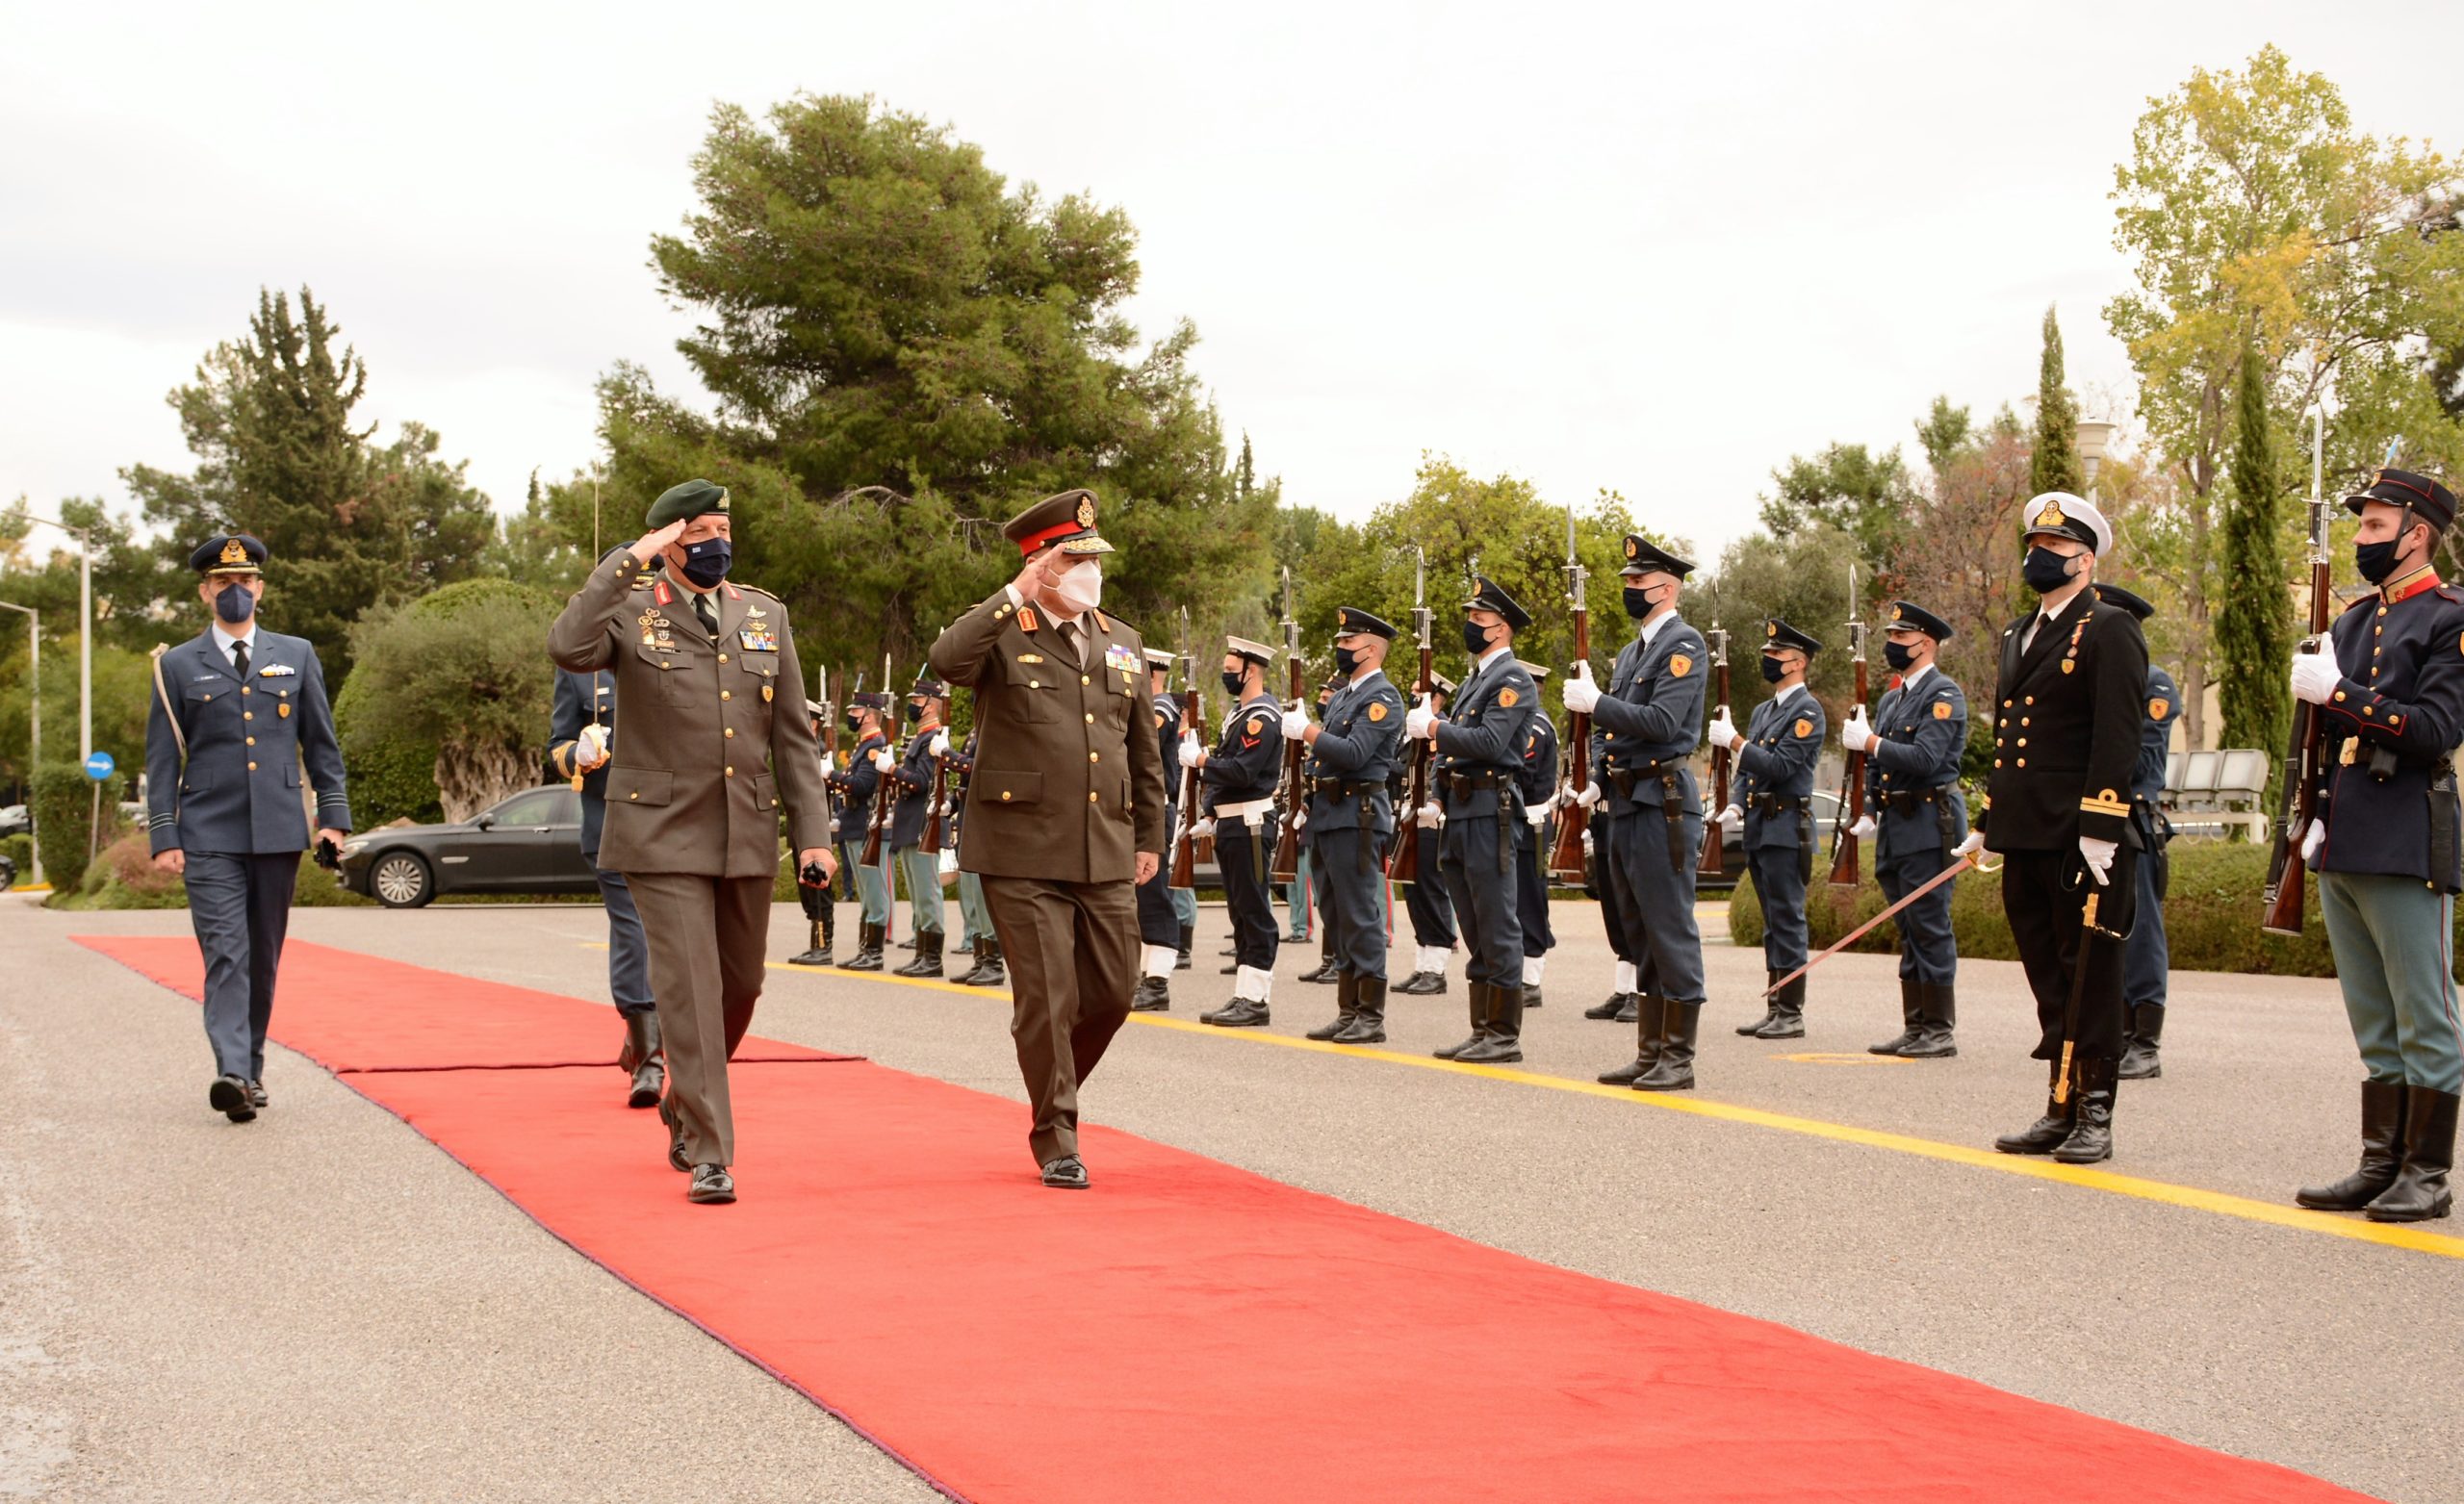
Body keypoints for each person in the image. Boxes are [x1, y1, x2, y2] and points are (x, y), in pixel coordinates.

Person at [547, 478, 834, 1205]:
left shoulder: (765, 614)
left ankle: (685, 1099)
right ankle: (711, 1152)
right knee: (694, 991)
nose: (715, 543)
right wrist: (629, 559)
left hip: (744, 828)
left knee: (741, 986)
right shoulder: (630, 608)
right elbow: (566, 645)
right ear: (668, 541)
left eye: (722, 529)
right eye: (698, 531)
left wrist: (813, 836)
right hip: (660, 833)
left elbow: (794, 739)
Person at [926, 489, 1168, 1189]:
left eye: (1095, 559)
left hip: (1105, 843)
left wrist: (1149, 835)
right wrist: (1015, 593)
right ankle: (1057, 1133)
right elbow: (946, 661)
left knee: (1115, 992)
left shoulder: (1121, 640)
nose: (1092, 571)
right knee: (1048, 997)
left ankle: (1048, 1083)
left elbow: (1142, 751)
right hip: (1021, 848)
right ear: (1042, 564)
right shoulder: (1005, 628)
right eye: (1075, 559)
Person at [2291, 469, 2464, 1223]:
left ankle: (2426, 1172)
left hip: (2406, 837)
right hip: (2345, 836)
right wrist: (2309, 815)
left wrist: (2338, 692)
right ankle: (2380, 1160)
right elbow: (2321, 740)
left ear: (2416, 534)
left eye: (2373, 526)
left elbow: (2433, 729)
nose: (2362, 538)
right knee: (2373, 1015)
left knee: (2425, 1013)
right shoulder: (2355, 620)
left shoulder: (2450, 619)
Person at [144, 534, 351, 1123]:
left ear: (260, 589)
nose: (234, 591)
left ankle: (250, 1071)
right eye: (222, 582)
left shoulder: (298, 654)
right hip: (208, 832)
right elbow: (162, 758)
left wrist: (333, 820)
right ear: (205, 591)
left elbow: (322, 745)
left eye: (244, 581)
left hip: (279, 829)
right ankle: (232, 1071)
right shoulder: (176, 665)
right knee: (226, 954)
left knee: (262, 958)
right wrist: (165, 834)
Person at [1981, 493, 2146, 1167]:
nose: (2039, 557)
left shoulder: (2109, 627)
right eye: (2035, 546)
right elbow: (2011, 739)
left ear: (2086, 559)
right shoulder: (2018, 632)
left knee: (2090, 978)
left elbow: (2118, 734)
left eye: (2054, 548)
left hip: (2083, 838)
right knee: (2049, 975)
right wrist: (1989, 822)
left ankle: (2095, 1112)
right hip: (2026, 832)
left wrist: (2102, 823)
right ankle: (2061, 1103)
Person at [1566, 536, 1709, 1091]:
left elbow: (1663, 724)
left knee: (1669, 928)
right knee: (1639, 930)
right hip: (1625, 802)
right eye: (1628, 581)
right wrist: (1596, 780)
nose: (1629, 588)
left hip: (1662, 803)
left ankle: (1679, 1057)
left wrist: (1598, 703)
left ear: (1666, 589)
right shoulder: (1631, 653)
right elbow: (1609, 736)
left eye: (1638, 581)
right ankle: (1651, 1051)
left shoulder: (1684, 644)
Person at [1413, 576, 1539, 1063]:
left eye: (1479, 619)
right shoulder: (1475, 681)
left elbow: (1488, 743)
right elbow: (1450, 756)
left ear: (1501, 628)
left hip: (1490, 811)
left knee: (1496, 925)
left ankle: (1503, 1035)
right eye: (1470, 618)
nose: (1471, 625)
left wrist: (1434, 726)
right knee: (1472, 924)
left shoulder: (1513, 680)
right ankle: (1482, 1028)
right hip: (1462, 811)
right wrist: (1436, 796)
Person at [1848, 601, 1969, 1058]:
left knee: (1929, 924)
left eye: (1901, 637)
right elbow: (1877, 767)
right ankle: (1915, 1025)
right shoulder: (1892, 698)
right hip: (1896, 824)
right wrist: (1868, 809)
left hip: (1929, 821)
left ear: (1927, 643)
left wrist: (1871, 741)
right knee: (1908, 926)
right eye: (1891, 637)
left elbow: (1926, 758)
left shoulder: (1944, 694)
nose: (1892, 644)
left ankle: (1938, 1029)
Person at [549, 643, 663, 1107]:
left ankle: (640, 1039)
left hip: (675, 821)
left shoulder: (682, 653)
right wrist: (578, 754)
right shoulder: (582, 670)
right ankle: (650, 1059)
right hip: (611, 822)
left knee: (676, 937)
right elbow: (556, 747)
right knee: (635, 932)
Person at [1291, 607, 1407, 1043]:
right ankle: (1348, 1010)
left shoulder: (1383, 697)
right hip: (1328, 813)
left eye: (1348, 642)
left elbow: (1355, 753)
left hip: (1357, 815)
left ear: (1371, 649)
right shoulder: (1343, 697)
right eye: (1340, 641)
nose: (1340, 648)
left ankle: (1370, 1017)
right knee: (1335, 915)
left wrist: (1307, 731)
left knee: (1360, 915)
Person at [1714, 619, 1826, 1041]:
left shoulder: (1807, 711)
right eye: (1768, 653)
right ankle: (1775, 1006)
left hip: (1786, 827)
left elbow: (1780, 767)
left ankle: (1791, 1013)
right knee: (1771, 921)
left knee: (1787, 919)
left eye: (1777, 654)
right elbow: (1749, 771)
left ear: (1798, 663)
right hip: (1761, 826)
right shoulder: (1766, 711)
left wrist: (1736, 742)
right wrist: (1735, 803)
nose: (1769, 659)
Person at [2097, 585, 2177, 1080]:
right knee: (2105, 932)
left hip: (2133, 821)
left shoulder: (2153, 681)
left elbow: (2144, 761)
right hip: (2094, 822)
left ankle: (2145, 1043)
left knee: (2141, 932)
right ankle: (2119, 1032)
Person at [1187, 636, 1286, 1027]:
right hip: (1231, 822)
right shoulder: (1239, 715)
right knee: (1240, 912)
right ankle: (1244, 993)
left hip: (1250, 824)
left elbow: (1242, 772)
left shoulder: (1263, 717)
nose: (1226, 676)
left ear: (1252, 671)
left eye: (1232, 671)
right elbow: (1227, 771)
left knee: (1255, 912)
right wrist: (1210, 814)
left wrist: (1201, 760)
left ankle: (1257, 998)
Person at [1396, 672, 1461, 996]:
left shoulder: (1441, 731)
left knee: (1431, 890)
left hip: (1433, 820)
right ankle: (1423, 964)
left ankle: (1436, 968)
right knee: (1413, 891)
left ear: (1435, 697)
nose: (1411, 696)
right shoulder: (1411, 733)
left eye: (1417, 691)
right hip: (1410, 817)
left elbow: (1441, 774)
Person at [886, 674, 953, 979]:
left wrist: (893, 769)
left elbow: (921, 782)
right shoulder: (921, 737)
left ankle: (932, 958)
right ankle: (922, 954)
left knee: (927, 893)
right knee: (917, 893)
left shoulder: (932, 738)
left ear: (932, 705)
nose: (913, 704)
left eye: (917, 700)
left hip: (922, 824)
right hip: (910, 824)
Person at [827, 692, 894, 971]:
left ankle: (874, 954)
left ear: (868, 716)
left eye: (855, 712)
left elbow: (863, 786)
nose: (851, 716)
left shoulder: (875, 745)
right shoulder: (864, 745)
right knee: (867, 893)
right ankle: (866, 949)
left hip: (867, 827)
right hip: (855, 824)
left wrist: (832, 776)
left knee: (874, 893)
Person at [1133, 648, 1184, 1009]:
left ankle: (1158, 981)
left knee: (1154, 898)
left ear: (1151, 674)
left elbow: (1136, 746)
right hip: (1137, 812)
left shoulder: (1161, 708)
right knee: (1140, 898)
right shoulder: (1147, 708)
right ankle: (1144, 976)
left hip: (1154, 813)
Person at [1513, 664, 1559, 1011]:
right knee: (1514, 899)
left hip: (1531, 822)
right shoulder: (1523, 723)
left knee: (1529, 899)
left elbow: (1523, 774)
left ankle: (1530, 980)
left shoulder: (1535, 726)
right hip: (1518, 819)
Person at [949, 731, 1007, 987]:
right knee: (971, 895)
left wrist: (949, 756)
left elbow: (985, 768)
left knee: (982, 899)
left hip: (984, 820)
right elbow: (966, 779)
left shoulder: (993, 728)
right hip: (967, 817)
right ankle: (980, 959)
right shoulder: (975, 732)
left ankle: (993, 964)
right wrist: (951, 802)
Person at [784, 696, 839, 968]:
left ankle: (823, 946)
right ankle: (815, 944)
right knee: (807, 889)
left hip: (815, 830)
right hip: (800, 827)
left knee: (818, 887)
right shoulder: (804, 750)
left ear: (814, 723)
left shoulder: (817, 752)